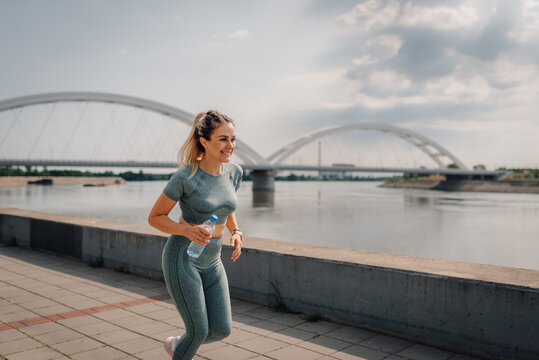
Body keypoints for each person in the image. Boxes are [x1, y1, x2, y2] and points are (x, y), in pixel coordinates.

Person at [148, 110, 243, 359]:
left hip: (212, 260)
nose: (230, 146)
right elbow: (155, 217)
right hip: (183, 257)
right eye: (223, 139)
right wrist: (186, 230)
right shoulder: (185, 177)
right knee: (198, 330)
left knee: (222, 329)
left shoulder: (234, 172)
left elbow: (227, 207)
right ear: (204, 141)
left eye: (233, 139)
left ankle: (177, 344)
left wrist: (236, 231)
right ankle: (184, 345)